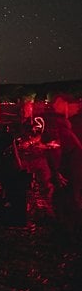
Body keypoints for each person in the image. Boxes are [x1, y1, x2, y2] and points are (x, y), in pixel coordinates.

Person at [41, 93, 82, 237]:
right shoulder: (63, 125)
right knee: (70, 196)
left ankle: (69, 228)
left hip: (73, 167)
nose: (54, 106)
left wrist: (56, 170)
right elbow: (57, 148)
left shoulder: (69, 124)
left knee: (70, 197)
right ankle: (70, 228)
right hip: (70, 167)